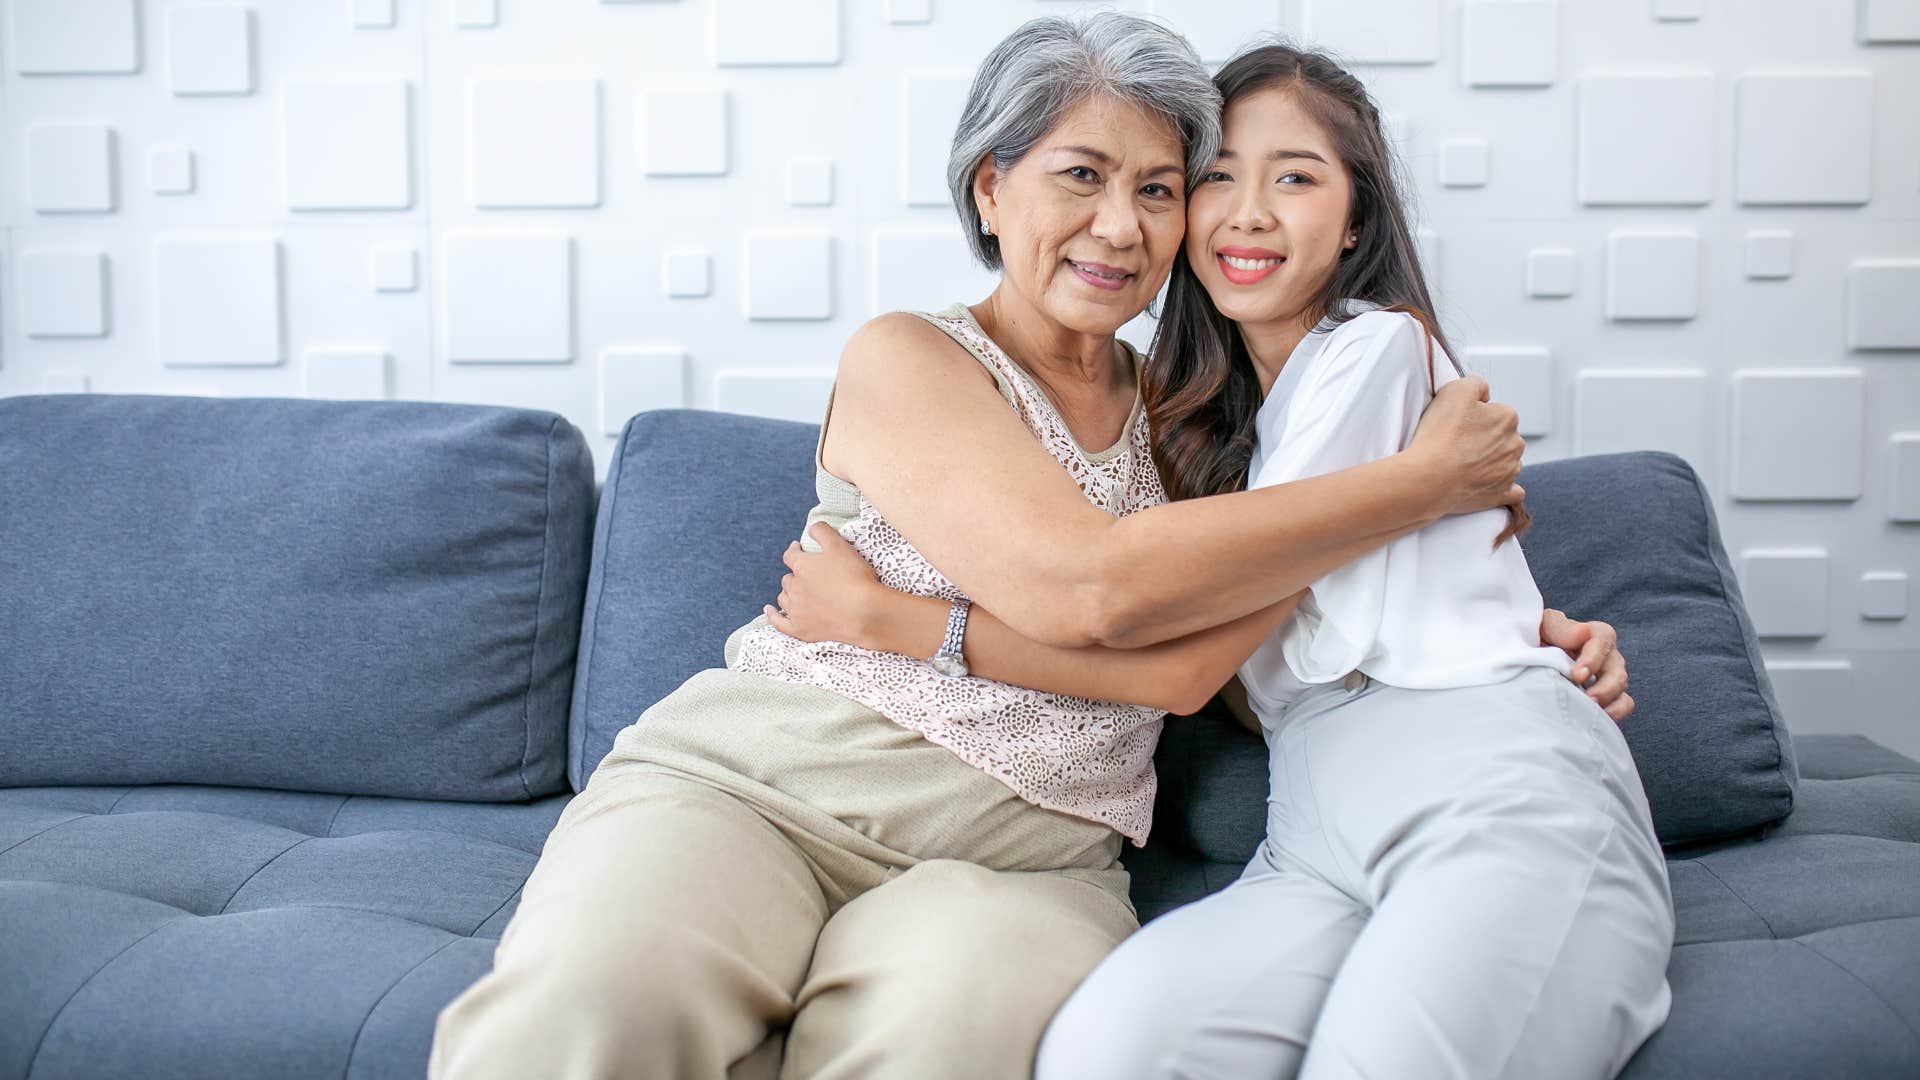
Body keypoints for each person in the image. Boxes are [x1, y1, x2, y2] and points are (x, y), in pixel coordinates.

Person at [430, 14, 1625, 1080]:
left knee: (944, 1035)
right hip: (762, 790)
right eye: (1083, 176)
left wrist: (1501, 621)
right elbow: (1088, 587)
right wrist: (1411, 485)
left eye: (1162, 189)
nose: (1123, 225)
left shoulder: (1201, 430)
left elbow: (1212, 659)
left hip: (1029, 863)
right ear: (991, 188)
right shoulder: (912, 358)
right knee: (592, 1010)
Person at [769, 40, 1669, 1080]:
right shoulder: (1208, 433)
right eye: (1214, 180)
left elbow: (1176, 611)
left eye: (1295, 177)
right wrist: (1440, 514)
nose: (1246, 211)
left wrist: (1486, 587)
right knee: (1107, 1053)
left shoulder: (1377, 348)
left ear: (1358, 220)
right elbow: (1245, 600)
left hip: (1483, 781)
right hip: (1319, 824)